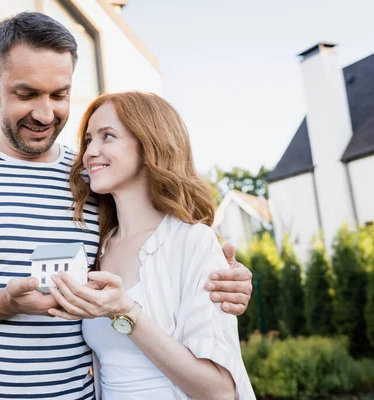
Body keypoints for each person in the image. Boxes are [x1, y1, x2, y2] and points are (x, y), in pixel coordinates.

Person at [0, 12, 253, 399]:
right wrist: (2, 303)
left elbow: (159, 256)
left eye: (59, 94)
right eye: (26, 94)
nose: (44, 113)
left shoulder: (93, 183)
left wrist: (225, 279)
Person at [47, 92, 256, 399]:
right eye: (88, 140)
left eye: (108, 136)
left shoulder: (192, 241)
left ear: (149, 147)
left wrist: (126, 313)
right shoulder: (98, 245)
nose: (90, 151)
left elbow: (220, 391)